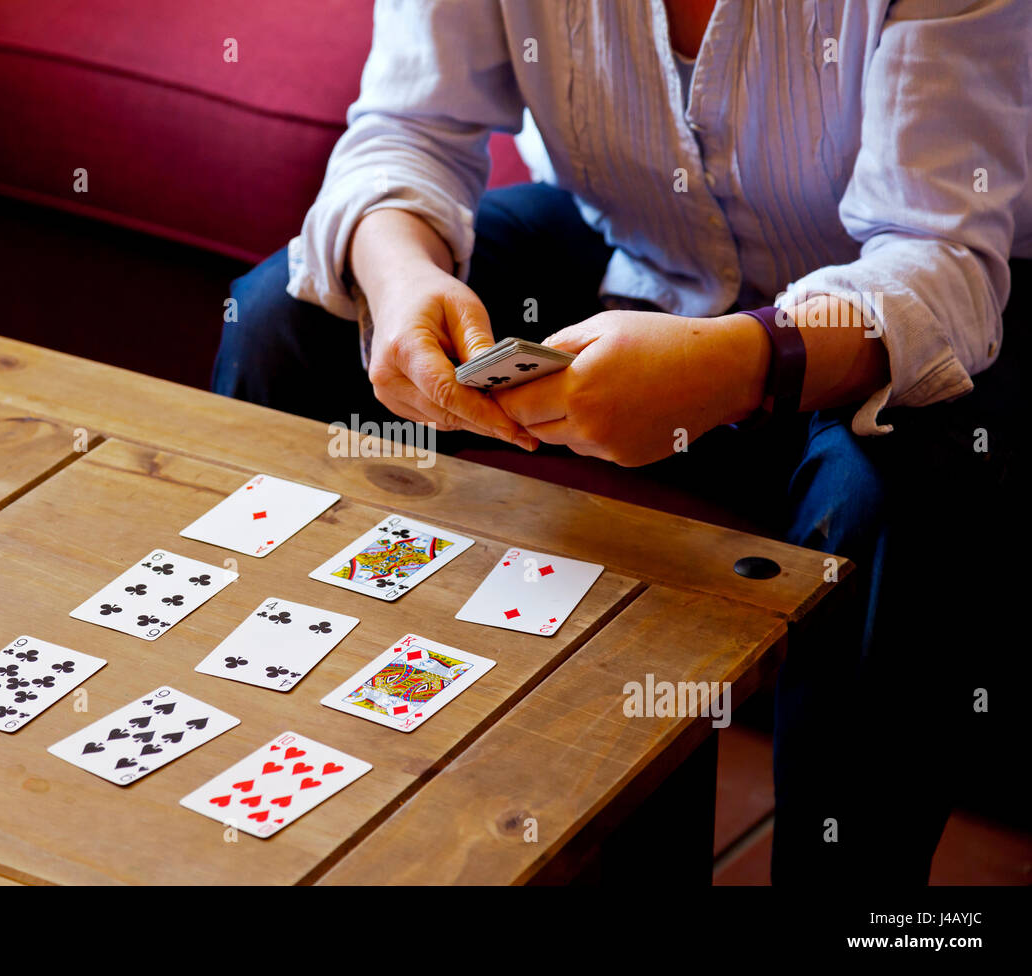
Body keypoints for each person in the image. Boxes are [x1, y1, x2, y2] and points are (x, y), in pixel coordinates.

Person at [212, 0, 1031, 882]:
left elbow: (939, 254)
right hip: (636, 254)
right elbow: (407, 126)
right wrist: (404, 275)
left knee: (889, 492)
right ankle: (303, 790)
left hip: (888, 321)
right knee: (279, 327)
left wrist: (745, 361)